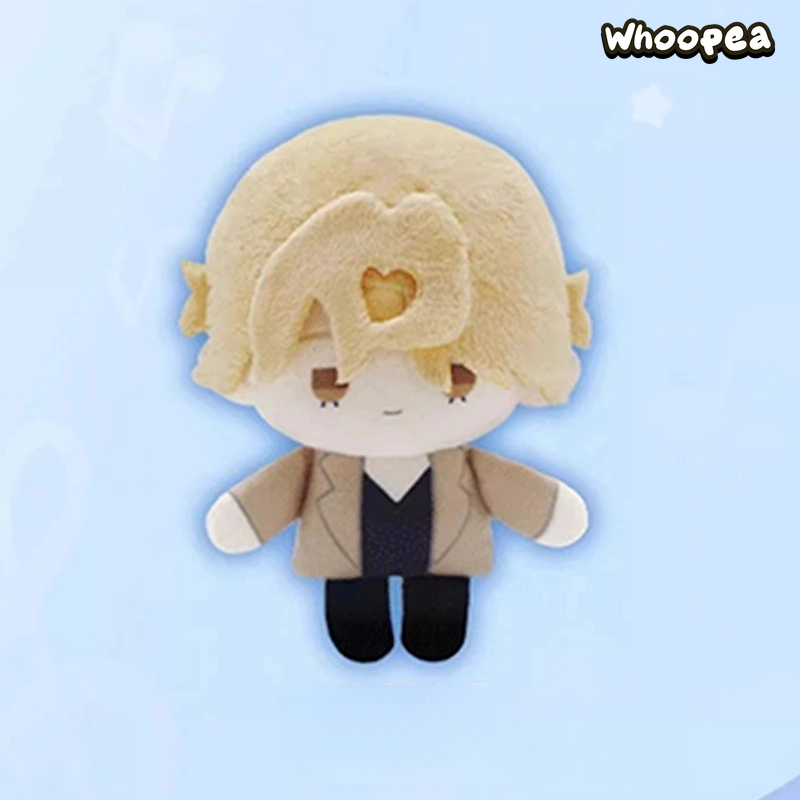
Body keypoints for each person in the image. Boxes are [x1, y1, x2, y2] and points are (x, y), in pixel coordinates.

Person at [180, 114, 592, 663]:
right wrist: (246, 514)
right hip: (347, 562)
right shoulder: (324, 465)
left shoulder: (455, 462)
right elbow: (280, 488)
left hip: (443, 562)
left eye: (454, 380)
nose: (391, 404)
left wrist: (545, 509)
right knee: (357, 621)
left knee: (438, 620)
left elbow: (504, 486)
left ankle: (431, 617)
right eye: (333, 383)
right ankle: (362, 618)